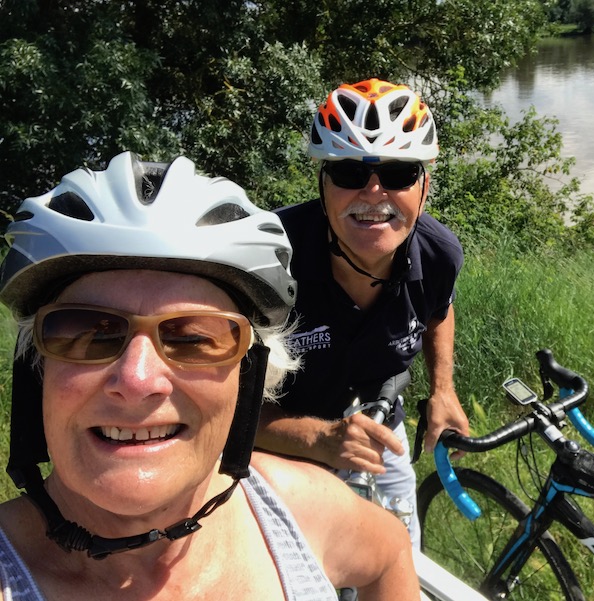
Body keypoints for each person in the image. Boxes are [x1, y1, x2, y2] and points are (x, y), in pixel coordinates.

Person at [0, 152, 418, 600]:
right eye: (89, 334)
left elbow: (391, 551)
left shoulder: (301, 508)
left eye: (193, 339)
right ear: (37, 370)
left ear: (249, 376)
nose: (138, 381)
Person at [255, 78, 470, 547]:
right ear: (323, 185)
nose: (373, 193)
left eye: (398, 174)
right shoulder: (267, 260)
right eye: (350, 172)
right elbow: (218, 405)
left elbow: (438, 310)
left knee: (398, 554)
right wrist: (320, 440)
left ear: (424, 187)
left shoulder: (438, 255)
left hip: (377, 431)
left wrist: (443, 389)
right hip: (273, 450)